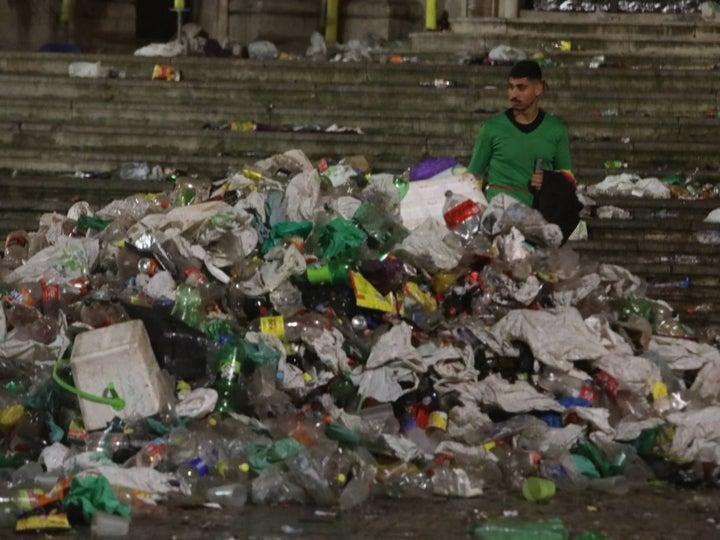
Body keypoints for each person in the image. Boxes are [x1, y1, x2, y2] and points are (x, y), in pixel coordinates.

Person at [467, 59, 581, 240]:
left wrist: (549, 179)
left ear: (538, 88)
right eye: (511, 87)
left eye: (521, 87)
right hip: (497, 221)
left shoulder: (556, 130)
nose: (514, 94)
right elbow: (473, 177)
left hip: (537, 223)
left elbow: (568, 179)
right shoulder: (491, 128)